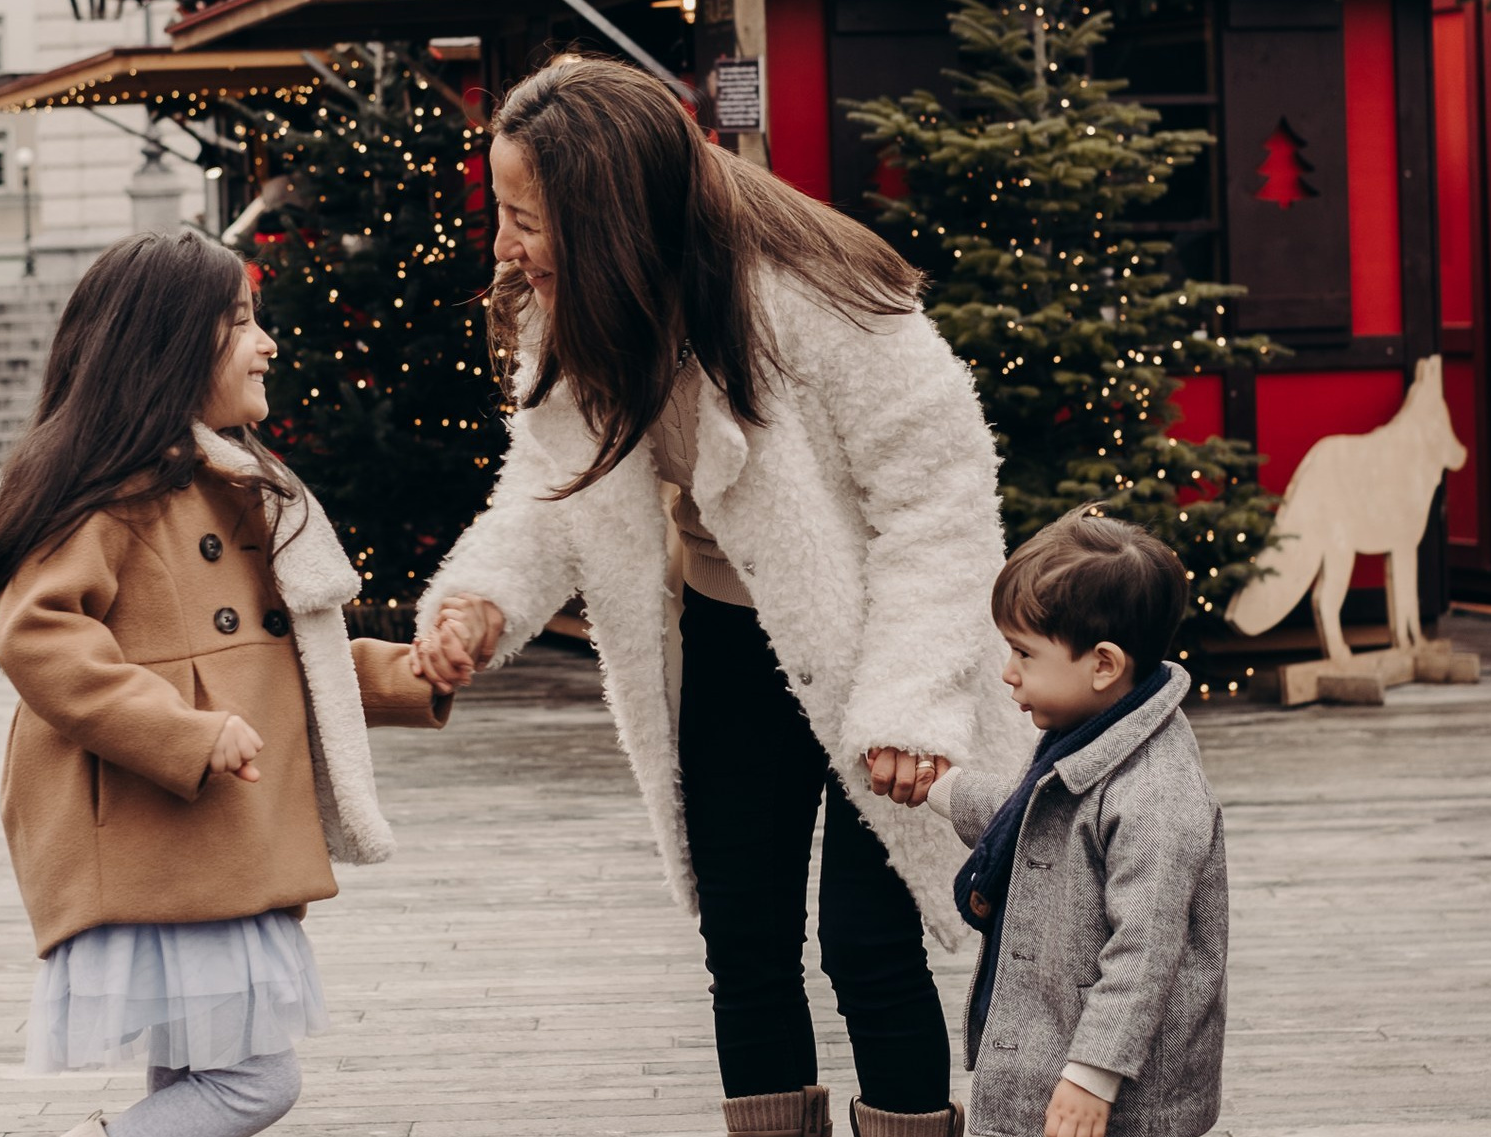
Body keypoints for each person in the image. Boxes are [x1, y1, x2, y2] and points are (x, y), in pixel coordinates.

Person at [409, 56, 1030, 1137]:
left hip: (882, 648)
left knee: (868, 945)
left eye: (525, 219)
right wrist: (482, 601)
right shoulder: (573, 308)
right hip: (733, 646)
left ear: (608, 219)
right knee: (744, 941)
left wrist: (909, 704)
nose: (504, 246)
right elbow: (551, 493)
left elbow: (943, 507)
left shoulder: (825, 297)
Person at [0, 231, 451, 1137]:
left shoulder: (233, 483)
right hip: (163, 833)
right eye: (240, 323)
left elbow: (276, 660)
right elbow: (36, 633)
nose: (267, 342)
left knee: (195, 1073)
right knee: (252, 1083)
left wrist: (404, 672)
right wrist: (182, 730)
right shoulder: (114, 493)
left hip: (207, 837)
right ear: (167, 346)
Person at [925, 506, 1228, 1137]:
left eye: (1023, 653)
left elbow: (1144, 953)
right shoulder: (1095, 732)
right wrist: (944, 787)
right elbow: (1032, 817)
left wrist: (1094, 1074)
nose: (1007, 672)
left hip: (1119, 1099)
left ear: (1103, 664)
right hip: (1048, 1050)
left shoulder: (1154, 792)